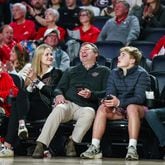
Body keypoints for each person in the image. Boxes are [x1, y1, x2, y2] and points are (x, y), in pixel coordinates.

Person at [32, 42, 110, 158]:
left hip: (86, 107)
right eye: (81, 50)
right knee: (59, 109)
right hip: (69, 104)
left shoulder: (104, 71)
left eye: (87, 49)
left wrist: (92, 94)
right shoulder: (70, 70)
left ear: (96, 54)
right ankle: (41, 144)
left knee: (89, 113)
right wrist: (59, 95)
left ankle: (71, 142)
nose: (83, 51)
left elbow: (107, 92)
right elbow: (59, 88)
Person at [80, 46, 151, 160]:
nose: (119, 57)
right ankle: (95, 147)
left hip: (138, 109)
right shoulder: (114, 73)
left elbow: (140, 98)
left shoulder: (142, 74)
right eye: (119, 55)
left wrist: (119, 103)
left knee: (131, 108)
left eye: (123, 55)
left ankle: (132, 148)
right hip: (120, 109)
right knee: (103, 108)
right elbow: (110, 92)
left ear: (132, 60)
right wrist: (108, 101)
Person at [0, 44, 62, 157]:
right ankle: (20, 126)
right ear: (39, 57)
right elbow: (24, 96)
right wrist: (30, 86)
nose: (50, 57)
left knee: (15, 107)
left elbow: (53, 93)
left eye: (51, 54)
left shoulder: (56, 73)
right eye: (47, 54)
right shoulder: (32, 72)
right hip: (28, 107)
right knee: (20, 95)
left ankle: (8, 145)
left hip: (46, 106)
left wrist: (37, 82)